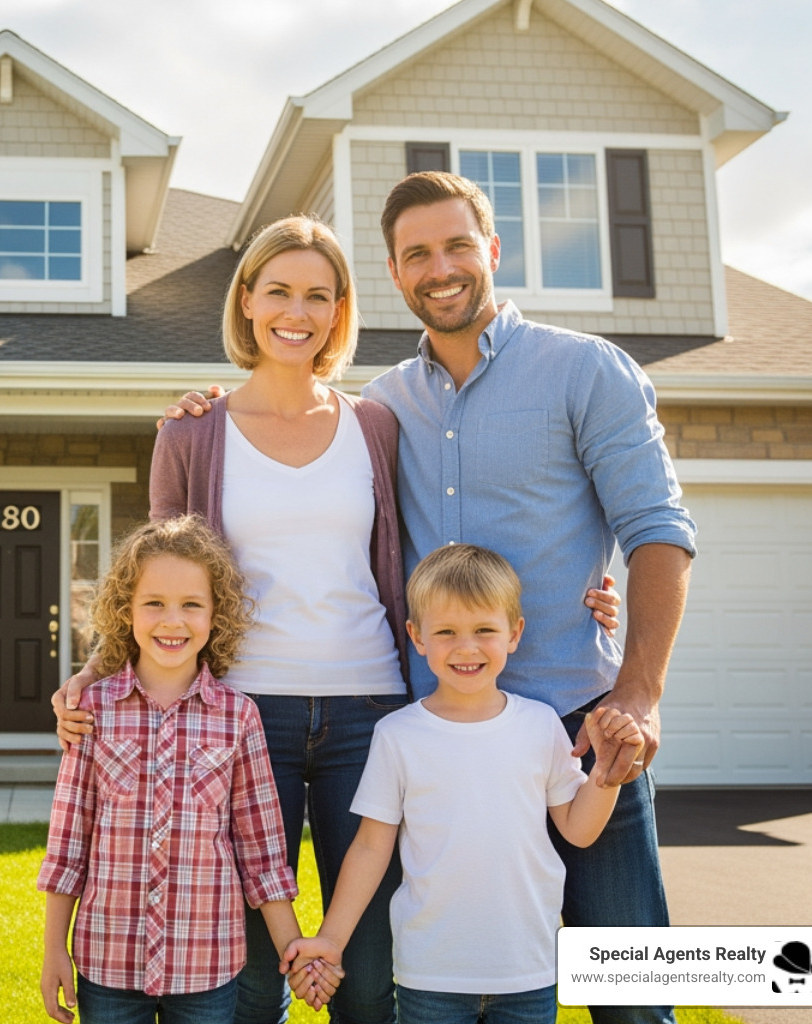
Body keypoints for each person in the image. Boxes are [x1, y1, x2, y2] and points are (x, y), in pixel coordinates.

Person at [54, 215, 621, 1024]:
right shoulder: (192, 433)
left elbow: (453, 523)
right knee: (254, 973)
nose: (298, 311)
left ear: (339, 310)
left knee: (367, 969)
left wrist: (580, 588)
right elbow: (159, 579)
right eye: (279, 291)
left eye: (318, 295)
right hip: (245, 713)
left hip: (370, 709)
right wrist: (98, 667)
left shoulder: (376, 422)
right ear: (247, 301)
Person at [165, 172, 695, 1024]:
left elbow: (658, 529)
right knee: (446, 977)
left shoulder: (583, 369)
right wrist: (206, 410)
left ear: (493, 250)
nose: (439, 268)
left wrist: (638, 691)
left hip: (576, 723)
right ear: (394, 273)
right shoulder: (384, 407)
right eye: (417, 254)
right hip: (437, 736)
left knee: (631, 993)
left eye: (457, 246)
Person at [279, 544, 643, 1024]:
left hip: (527, 971)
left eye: (484, 631)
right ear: (417, 636)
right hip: (431, 975)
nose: (466, 647)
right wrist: (331, 939)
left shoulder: (541, 725)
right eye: (446, 632)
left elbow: (577, 829)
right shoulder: (397, 735)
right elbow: (370, 847)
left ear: (514, 634)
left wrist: (606, 776)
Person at [38, 516, 319, 1023]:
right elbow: (68, 844)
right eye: (154, 603)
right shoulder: (93, 711)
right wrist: (53, 948)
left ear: (216, 614)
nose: (173, 621)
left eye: (191, 604)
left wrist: (293, 951)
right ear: (125, 611)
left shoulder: (238, 717)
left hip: (206, 966)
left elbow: (261, 855)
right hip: (108, 960)